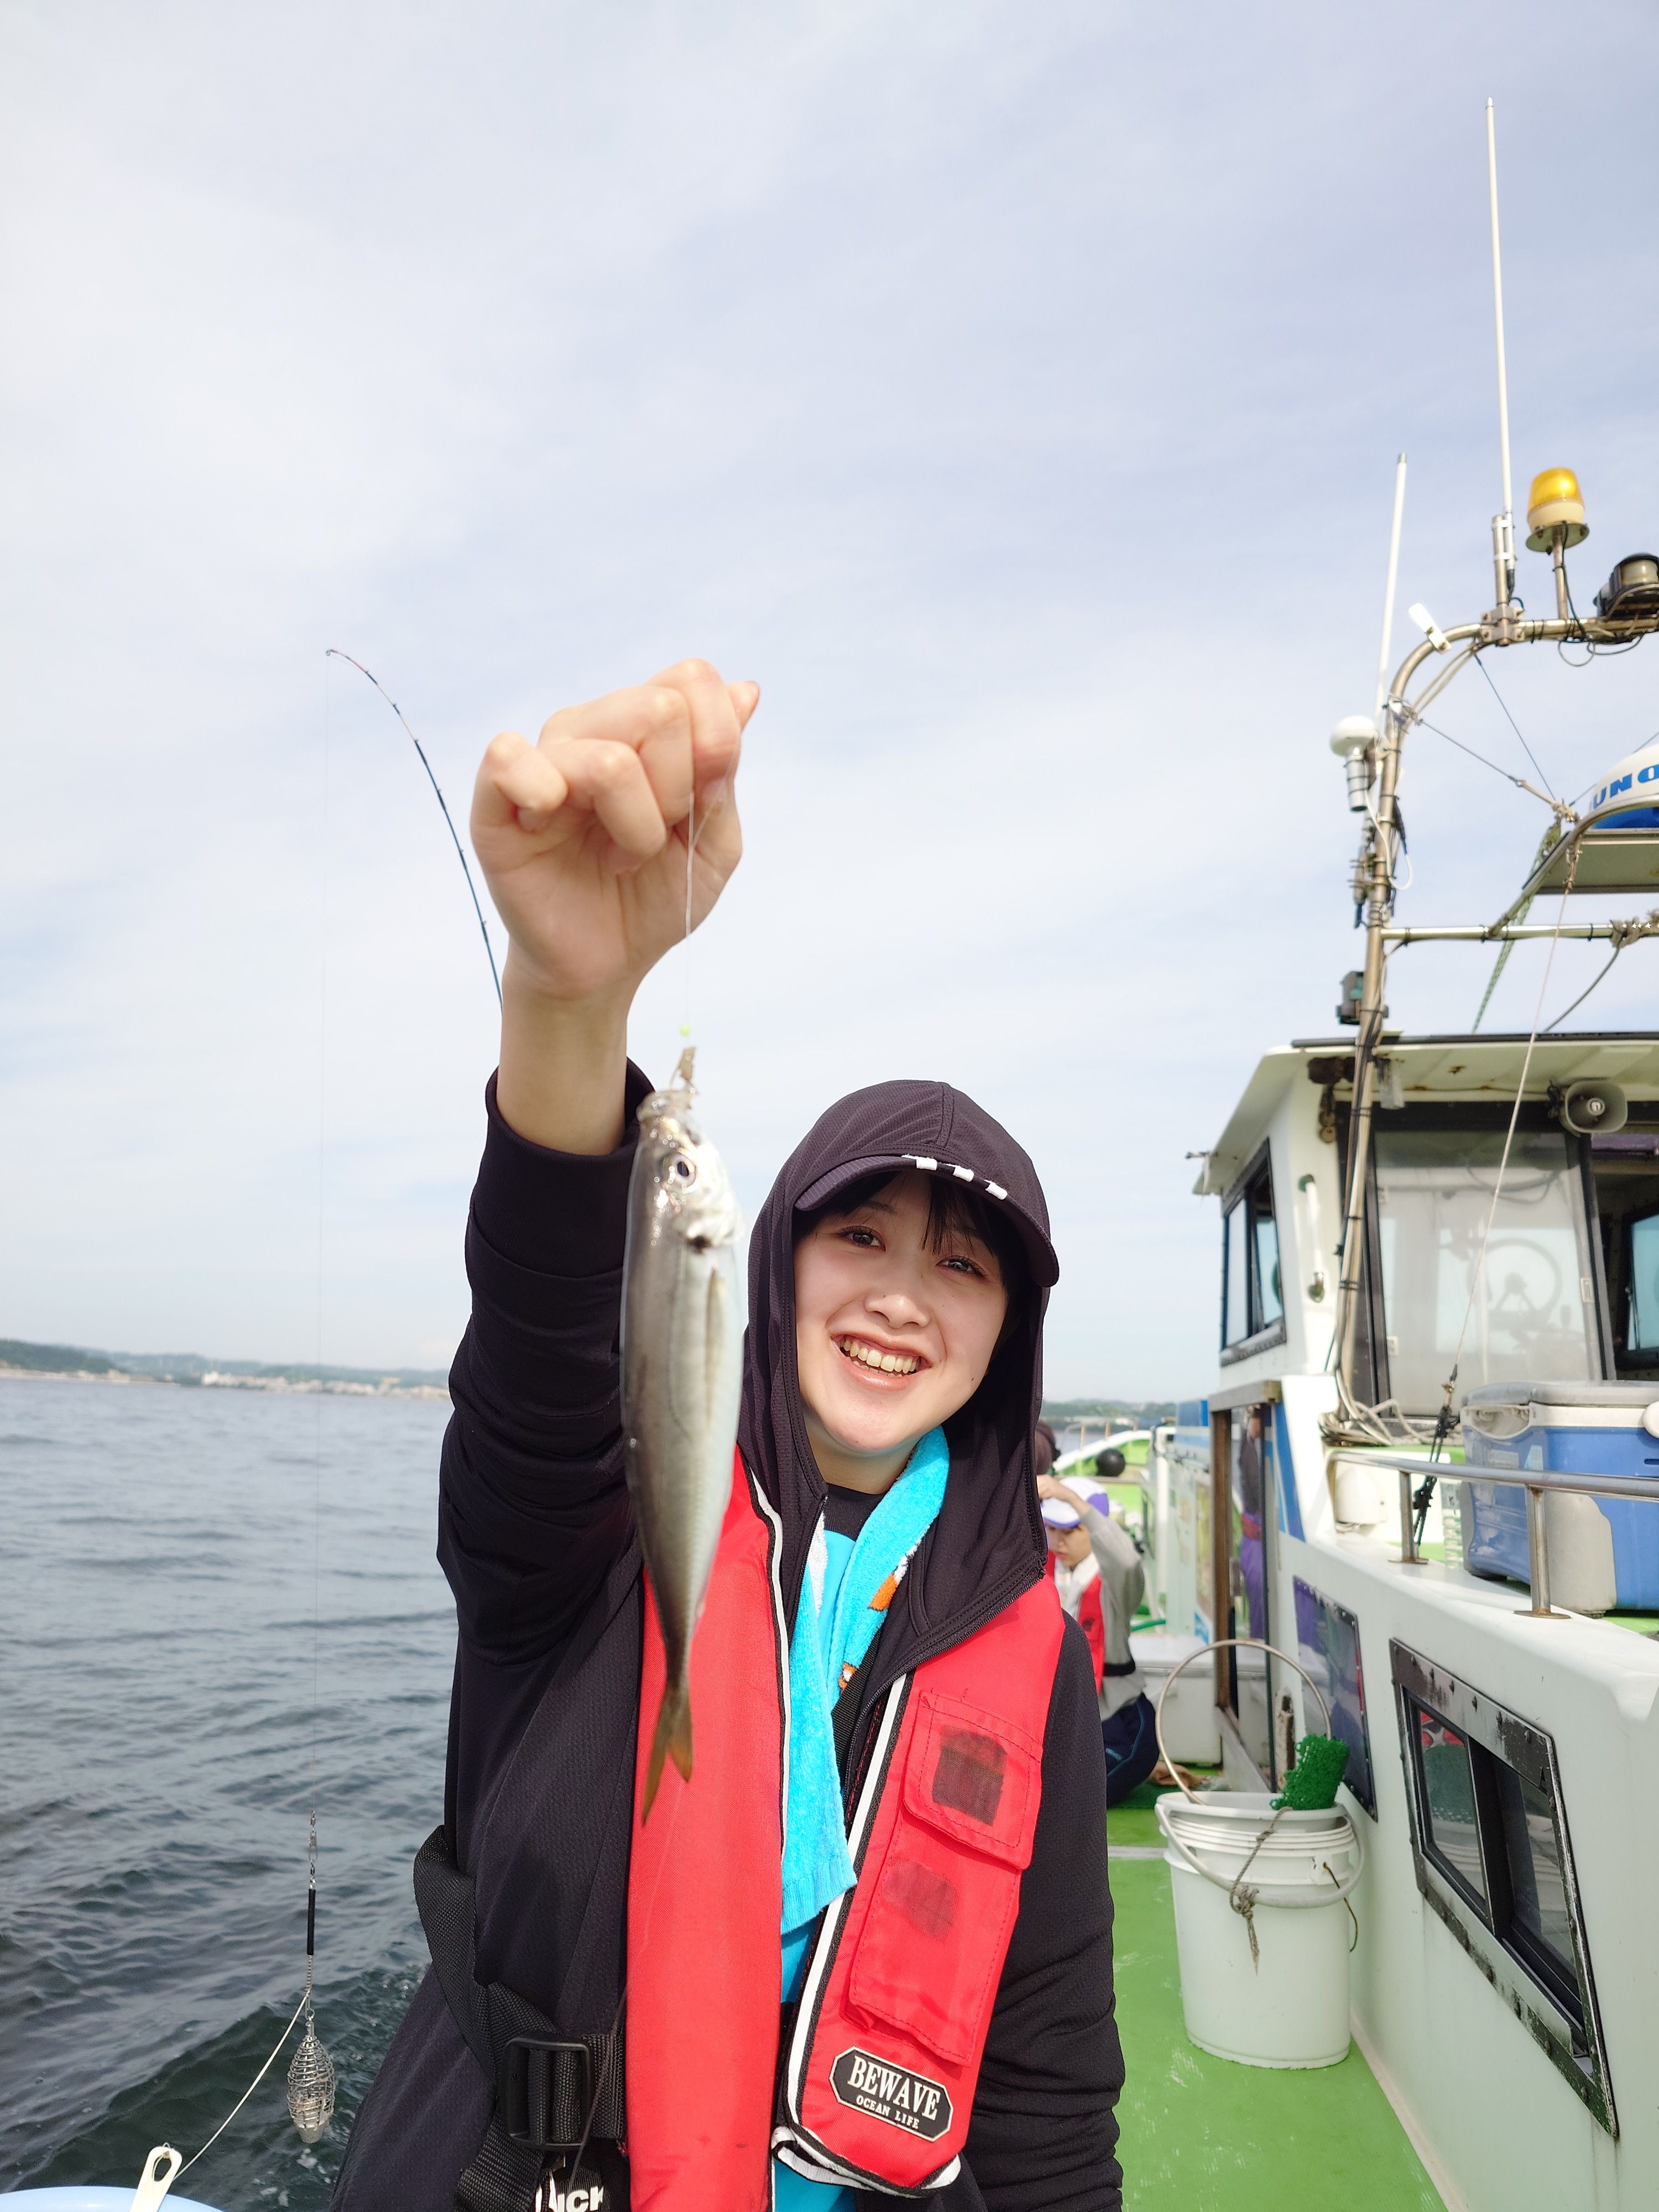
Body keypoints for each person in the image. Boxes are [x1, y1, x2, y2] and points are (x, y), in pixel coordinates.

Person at [332, 662, 1124, 2212]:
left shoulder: (1031, 1647)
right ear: (768, 1261)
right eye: (860, 1238)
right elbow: (545, 1336)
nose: (900, 1297)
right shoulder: (602, 1512)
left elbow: (1045, 2091)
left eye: (962, 1267)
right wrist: (569, 1003)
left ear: (1007, 1338)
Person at [1035, 1463, 1157, 1809]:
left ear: (1092, 1527)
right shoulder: (1040, 1570)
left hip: (1114, 1718)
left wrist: (1069, 1497)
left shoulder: (1116, 1583)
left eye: (1071, 1530)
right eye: (1051, 1528)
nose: (1059, 1541)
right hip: (1056, 1716)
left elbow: (1127, 1561)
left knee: (1075, 1802)